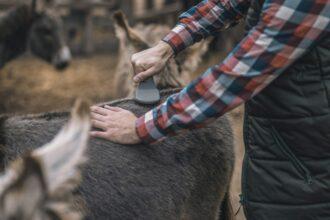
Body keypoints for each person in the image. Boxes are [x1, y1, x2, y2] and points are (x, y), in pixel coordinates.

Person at [90, 0, 330, 219]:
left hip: (309, 154)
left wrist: (143, 126)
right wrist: (168, 45)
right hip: (283, 139)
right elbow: (228, 3)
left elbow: (243, 73)